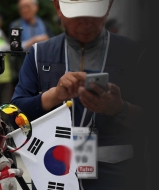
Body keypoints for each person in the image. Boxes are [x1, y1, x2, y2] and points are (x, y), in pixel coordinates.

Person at [11, 0, 146, 189]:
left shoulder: (134, 54)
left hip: (117, 175)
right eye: (77, 15)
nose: (85, 23)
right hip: (53, 173)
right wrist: (54, 95)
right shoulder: (38, 54)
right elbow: (14, 114)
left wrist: (118, 108)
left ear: (108, 7)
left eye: (93, 14)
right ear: (58, 7)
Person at [9, 0, 52, 90]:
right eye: (21, 8)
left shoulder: (44, 24)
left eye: (27, 6)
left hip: (44, 71)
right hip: (22, 72)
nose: (25, 10)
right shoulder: (15, 25)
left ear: (36, 7)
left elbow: (53, 45)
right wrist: (33, 41)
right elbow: (13, 48)